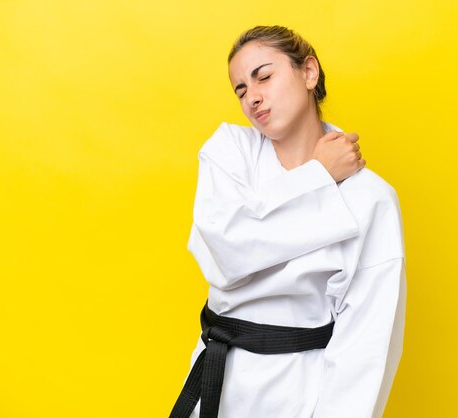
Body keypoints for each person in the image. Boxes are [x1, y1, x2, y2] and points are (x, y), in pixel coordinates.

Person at [169, 25, 407, 418]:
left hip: (298, 393)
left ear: (309, 72)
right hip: (215, 380)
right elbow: (222, 254)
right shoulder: (228, 151)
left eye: (264, 76)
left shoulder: (371, 198)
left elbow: (366, 346)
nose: (253, 98)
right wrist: (316, 177)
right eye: (241, 90)